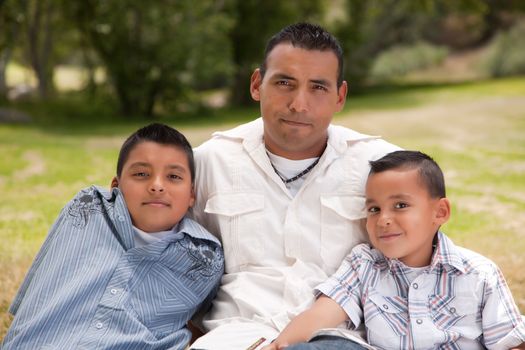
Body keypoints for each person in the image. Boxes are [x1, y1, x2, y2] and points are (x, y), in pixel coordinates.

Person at [189, 22, 399, 349]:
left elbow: (429, 262)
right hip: (237, 336)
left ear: (340, 96)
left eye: (318, 87)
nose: (299, 104)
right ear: (257, 84)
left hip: (337, 338)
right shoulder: (208, 163)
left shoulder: (382, 166)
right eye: (285, 83)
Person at [263, 150, 525, 350]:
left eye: (400, 205)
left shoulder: (479, 273)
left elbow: (510, 342)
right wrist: (280, 345)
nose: (383, 219)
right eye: (374, 209)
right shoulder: (364, 264)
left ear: (440, 212)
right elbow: (320, 315)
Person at [2, 123, 224, 350]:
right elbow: (37, 292)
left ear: (191, 195)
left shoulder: (206, 257)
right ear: (116, 186)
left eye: (173, 176)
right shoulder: (88, 209)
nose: (157, 186)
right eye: (141, 174)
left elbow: (204, 323)